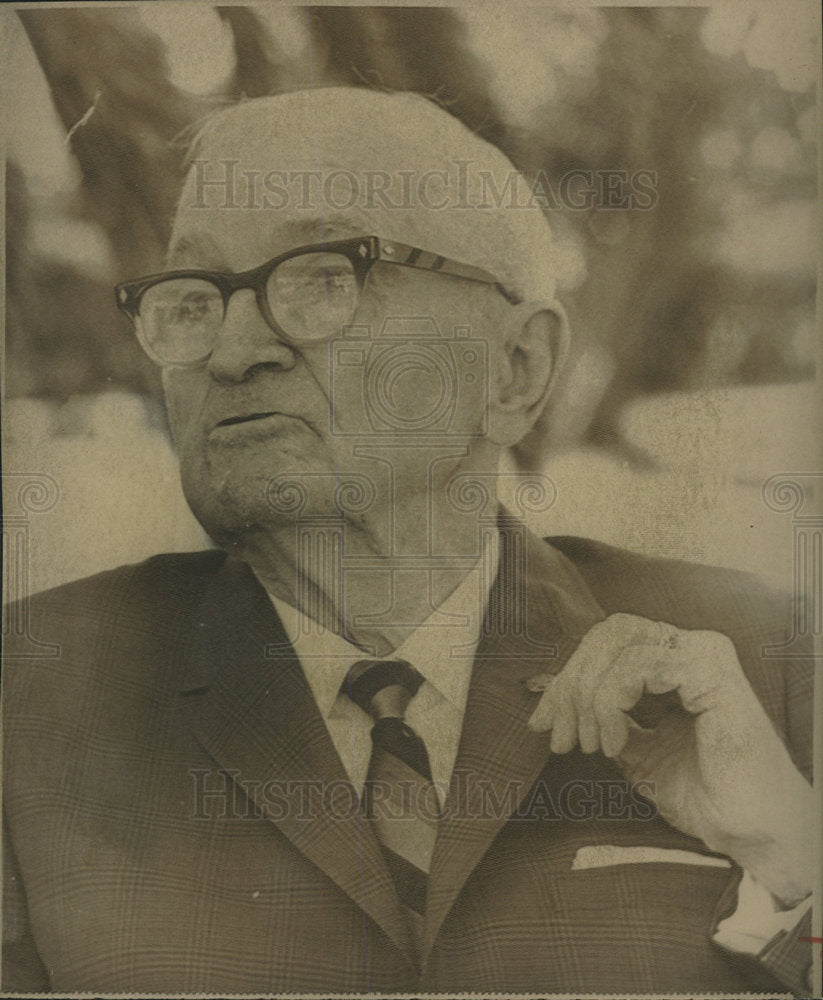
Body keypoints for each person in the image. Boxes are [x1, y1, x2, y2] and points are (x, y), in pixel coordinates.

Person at [2, 87, 814, 996]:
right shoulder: (32, 698)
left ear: (515, 370)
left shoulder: (768, 667)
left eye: (322, 275)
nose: (232, 352)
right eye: (191, 298)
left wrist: (795, 865)